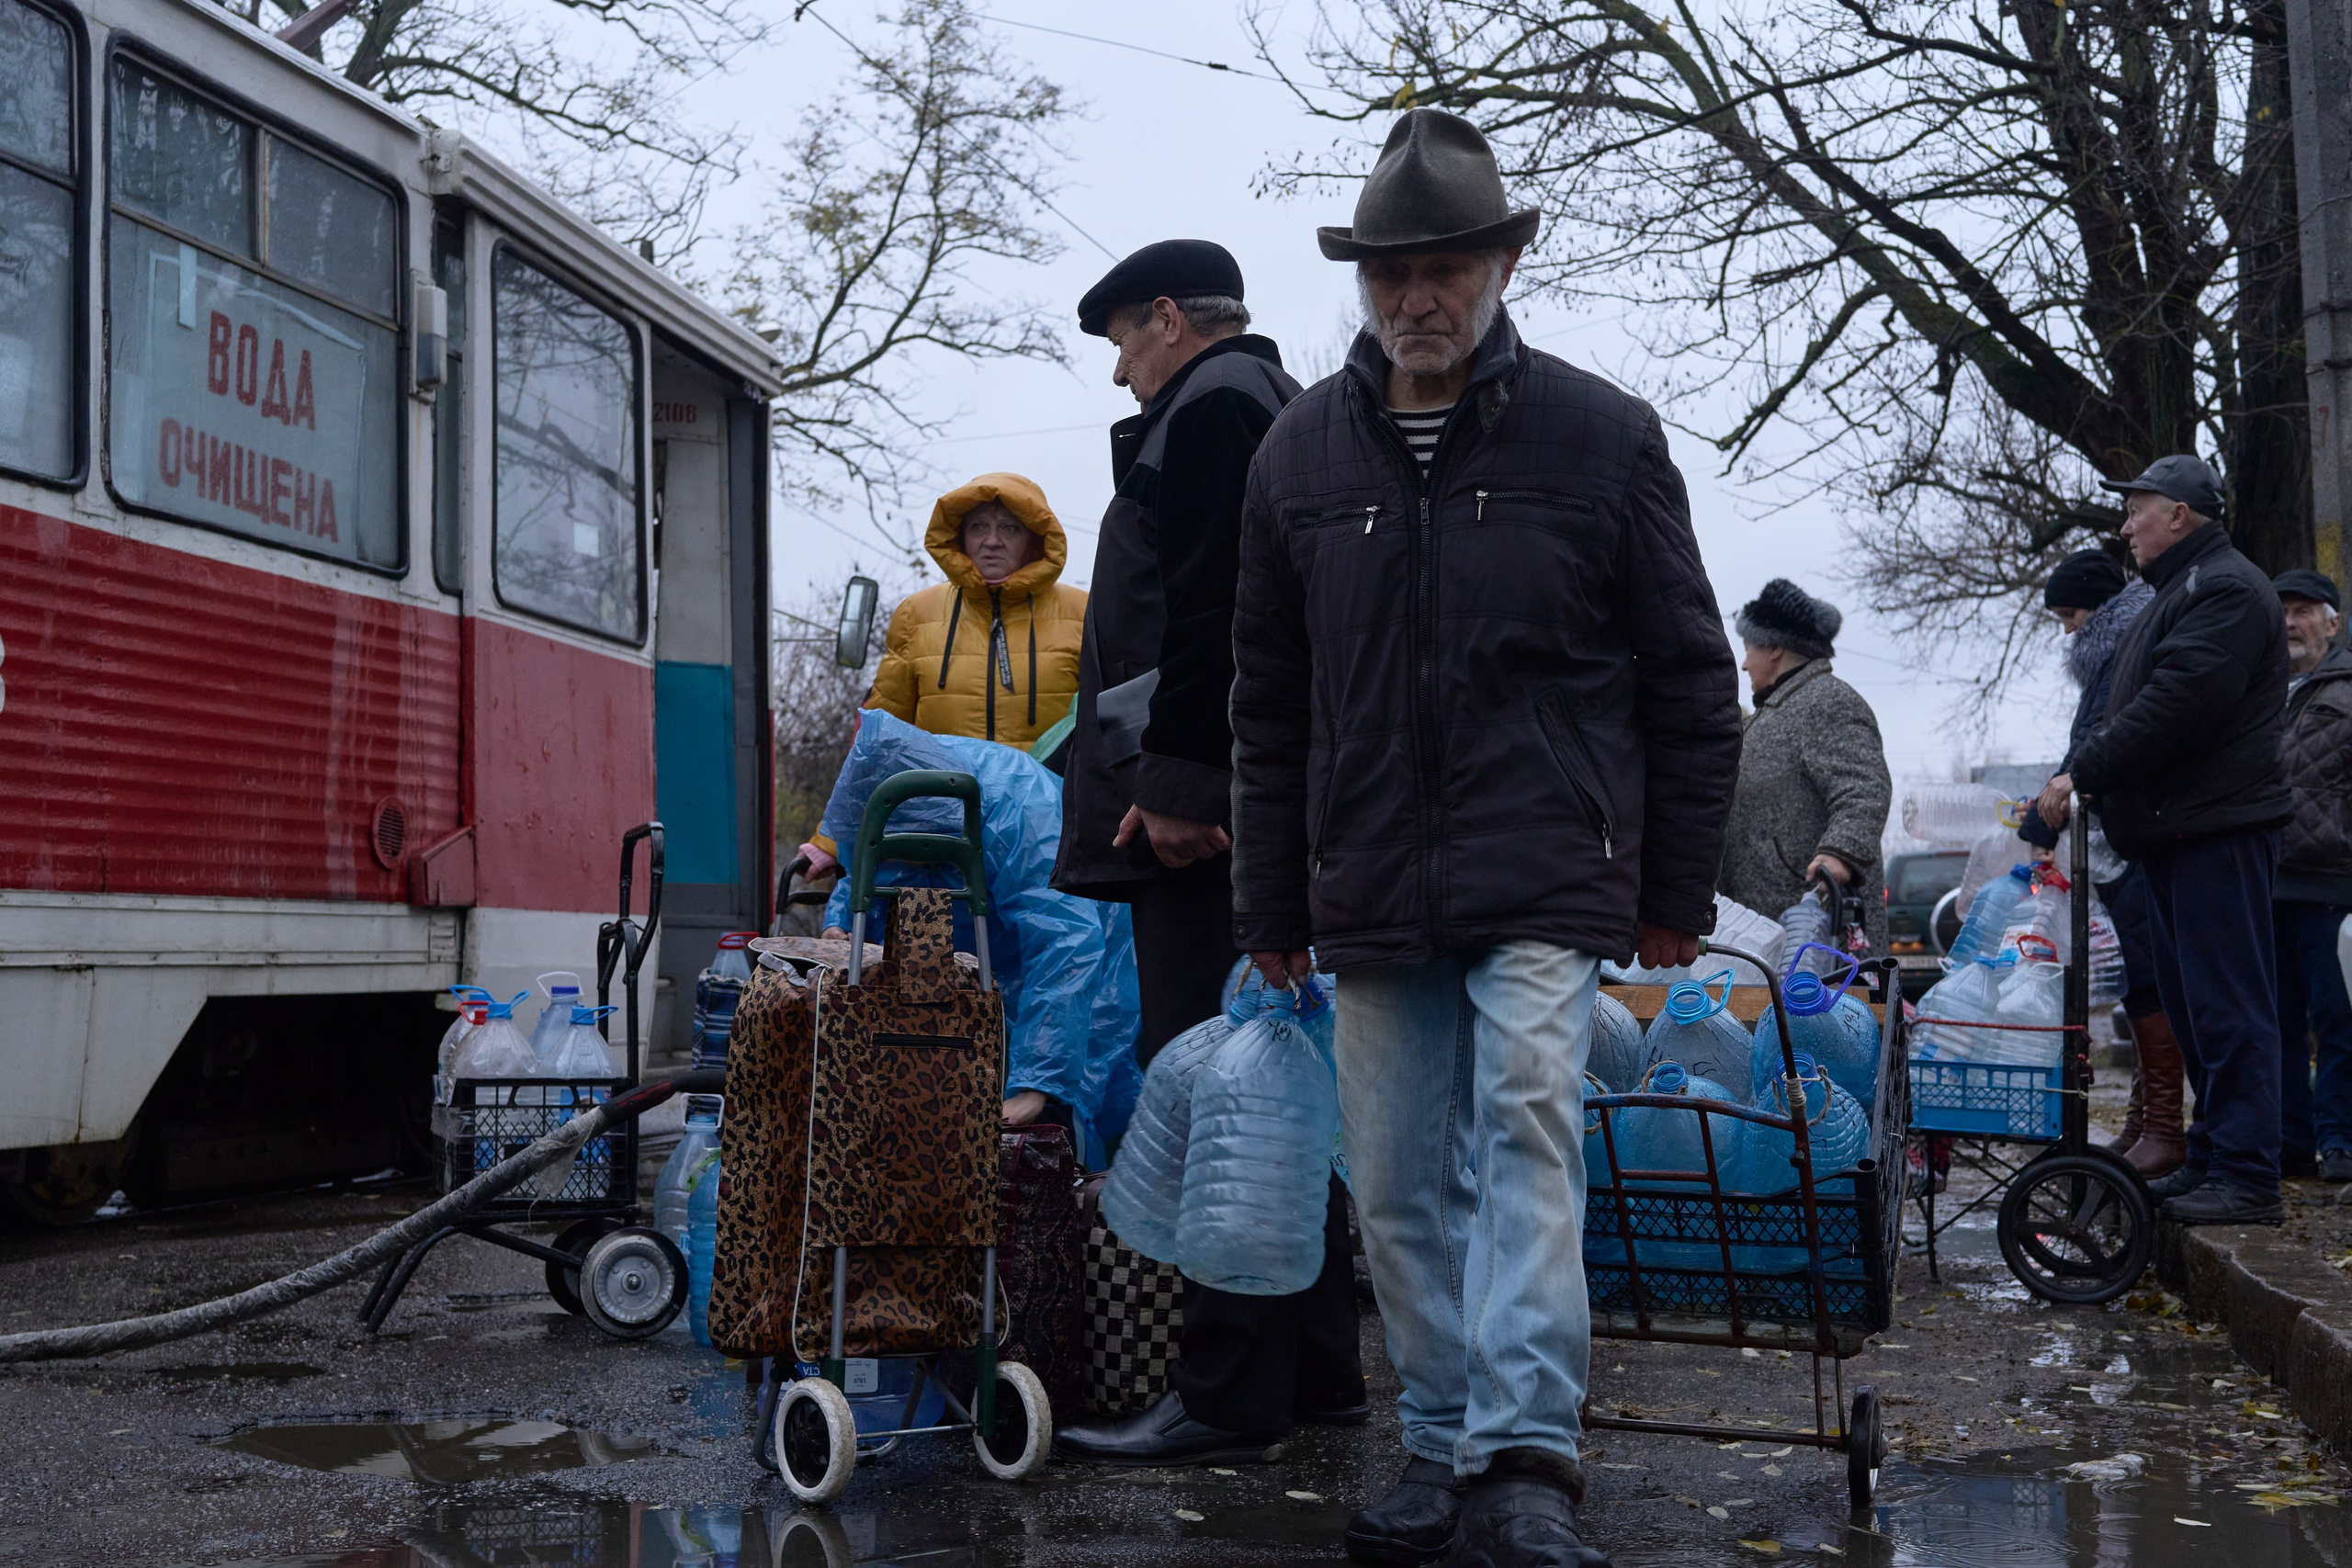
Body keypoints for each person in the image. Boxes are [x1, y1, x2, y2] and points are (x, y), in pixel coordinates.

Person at [1230, 109, 1741, 1568]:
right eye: (1391, 275)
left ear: (1504, 261)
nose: (1417, 299)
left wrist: (1671, 888)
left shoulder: (1603, 435)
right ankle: (1443, 1437)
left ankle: (1527, 1453)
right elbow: (1268, 701)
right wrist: (1274, 899)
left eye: (1446, 266)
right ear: (1363, 282)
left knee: (1524, 1124)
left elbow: (1691, 680)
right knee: (1391, 1174)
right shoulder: (1297, 457)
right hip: (1373, 873)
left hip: (1551, 862)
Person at [1048, 240, 1368, 1466]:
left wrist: (1183, 784)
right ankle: (1317, 1369)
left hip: (1210, 817)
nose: (1122, 374)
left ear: (1170, 318)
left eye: (1125, 341)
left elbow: (1216, 606)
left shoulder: (1219, 403)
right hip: (1243, 803)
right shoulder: (1249, 404)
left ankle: (1229, 1389)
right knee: (1280, 1085)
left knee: (1220, 1086)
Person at [2036, 456, 2290, 1226]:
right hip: (2179, 832)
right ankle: (2213, 1156)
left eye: (2136, 509)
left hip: (2217, 828)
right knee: (2196, 1008)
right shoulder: (2177, 589)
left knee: (2229, 1005)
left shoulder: (2226, 588)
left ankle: (2248, 1175)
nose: (2124, 525)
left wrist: (2080, 771)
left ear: (2179, 514)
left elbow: (2177, 705)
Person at [2018, 552, 2182, 1176]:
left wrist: (2046, 815)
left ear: (2097, 606)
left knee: (2145, 977)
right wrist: (2041, 819)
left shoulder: (2126, 649)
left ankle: (2165, 1124)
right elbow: (2086, 740)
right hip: (2122, 840)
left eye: (2069, 614)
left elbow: (2101, 738)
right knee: (2142, 976)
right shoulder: (2114, 652)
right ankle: (2146, 1118)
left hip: (2135, 839)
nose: (2065, 629)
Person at [1717, 579, 1892, 959]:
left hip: (1816, 945)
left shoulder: (1827, 701)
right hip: (1775, 936)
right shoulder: (1779, 710)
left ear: (1775, 648)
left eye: (1747, 649)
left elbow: (1864, 791)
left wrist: (1840, 854)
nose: (1744, 663)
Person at [864, 473, 1085, 747]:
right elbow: (884, 733)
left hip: (1051, 789)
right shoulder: (915, 615)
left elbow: (1107, 728)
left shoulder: (1082, 614)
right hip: (943, 789)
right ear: (960, 537)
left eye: (1009, 528)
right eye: (979, 527)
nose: (992, 541)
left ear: (1034, 539)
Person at [2269, 569, 2352, 1183]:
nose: (2292, 622)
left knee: (2340, 1020)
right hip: (2266, 884)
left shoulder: (2347, 689)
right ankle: (2290, 1141)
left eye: (2303, 610)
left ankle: (2340, 1141)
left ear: (2333, 621)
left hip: (2332, 886)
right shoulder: (2260, 691)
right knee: (2276, 1024)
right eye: (2283, 612)